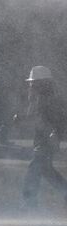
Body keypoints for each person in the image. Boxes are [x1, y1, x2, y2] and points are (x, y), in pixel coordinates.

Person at [16, 66, 67, 206]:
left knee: (34, 170)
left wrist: (53, 136)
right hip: (45, 140)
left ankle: (29, 202)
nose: (31, 84)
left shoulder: (48, 100)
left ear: (42, 83)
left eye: (33, 82)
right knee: (46, 170)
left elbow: (48, 120)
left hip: (46, 141)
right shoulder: (43, 98)